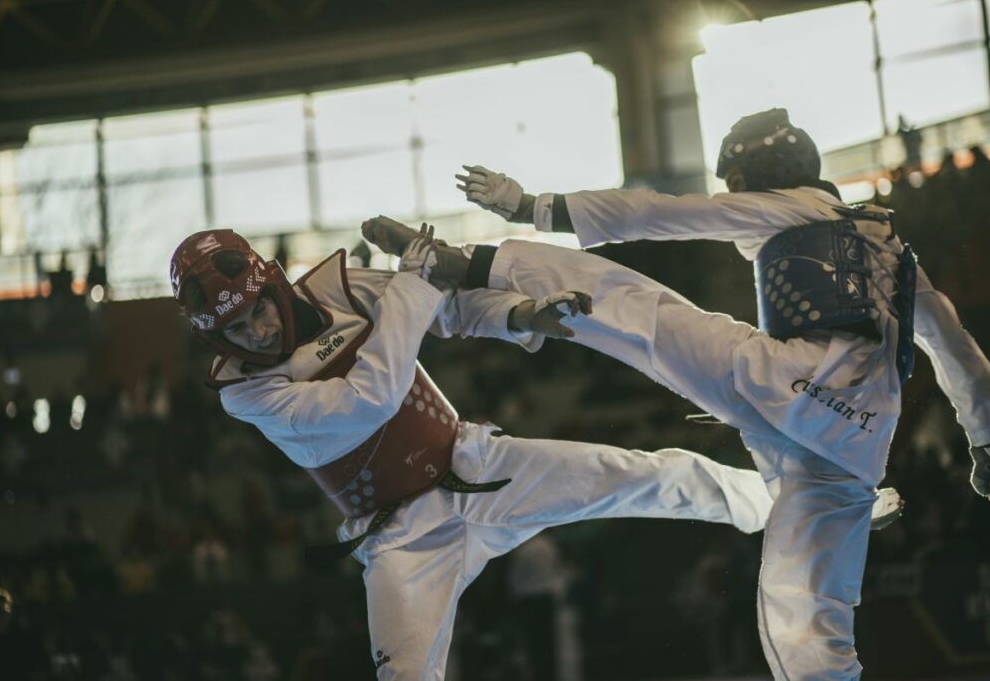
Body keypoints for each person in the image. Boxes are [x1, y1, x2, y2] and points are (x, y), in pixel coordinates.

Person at [360, 108, 988, 680]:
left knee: (632, 307)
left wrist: (532, 206)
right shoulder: (897, 250)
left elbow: (664, 213)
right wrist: (984, 441)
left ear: (760, 173)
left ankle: (463, 263)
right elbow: (956, 348)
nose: (737, 193)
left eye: (740, 180)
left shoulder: (791, 206)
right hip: (856, 442)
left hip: (785, 383)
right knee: (808, 629)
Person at [169, 227, 782, 680]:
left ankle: (786, 507)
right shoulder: (245, 394)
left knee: (642, 474)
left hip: (478, 469)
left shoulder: (341, 287)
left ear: (272, 283)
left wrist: (519, 315)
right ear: (211, 337)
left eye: (259, 309)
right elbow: (370, 399)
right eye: (236, 329)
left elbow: (449, 310)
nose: (258, 331)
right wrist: (411, 284)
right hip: (402, 541)